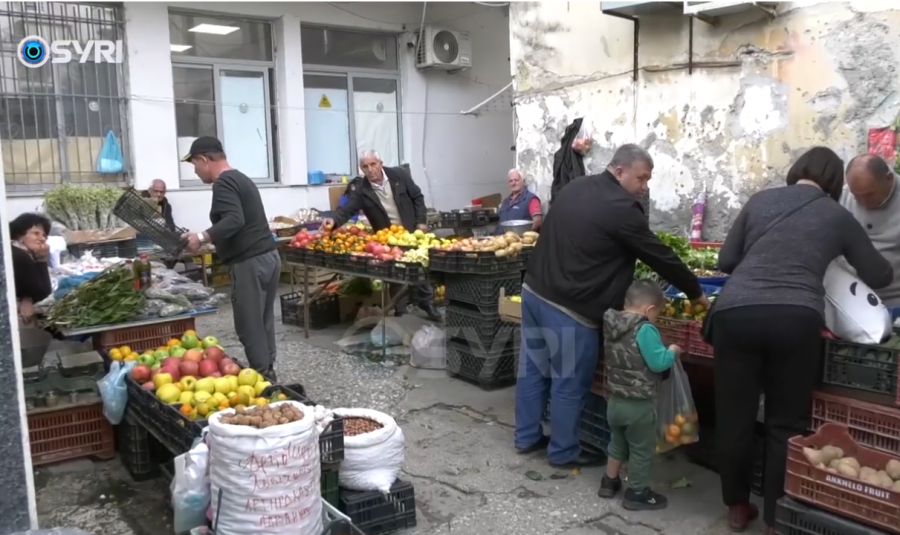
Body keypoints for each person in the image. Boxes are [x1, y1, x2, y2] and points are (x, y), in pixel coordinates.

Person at [710, 146, 893, 534]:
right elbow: (879, 276)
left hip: (735, 315)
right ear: (833, 182)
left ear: (796, 170)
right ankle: (776, 520)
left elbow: (725, 261)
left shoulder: (760, 201)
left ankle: (737, 507)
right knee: (784, 424)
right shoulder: (837, 215)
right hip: (794, 320)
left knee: (734, 419)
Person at [515, 143, 706, 469]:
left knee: (533, 372)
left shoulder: (576, 187)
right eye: (641, 179)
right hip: (570, 310)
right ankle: (563, 453)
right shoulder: (621, 206)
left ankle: (526, 437)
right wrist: (694, 291)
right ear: (619, 171)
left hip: (534, 293)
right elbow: (658, 254)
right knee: (568, 384)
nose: (643, 187)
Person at [179, 136, 282, 380]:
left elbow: (234, 220)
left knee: (248, 324)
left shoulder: (223, 184)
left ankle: (261, 376)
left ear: (204, 159)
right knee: (263, 320)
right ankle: (268, 369)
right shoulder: (241, 178)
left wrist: (202, 236)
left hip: (250, 262)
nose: (195, 171)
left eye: (194, 164)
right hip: (268, 257)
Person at [323, 150, 441, 322]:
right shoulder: (362, 190)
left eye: (373, 164)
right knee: (395, 273)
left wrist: (421, 222)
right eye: (365, 166)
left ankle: (427, 304)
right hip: (388, 237)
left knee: (420, 268)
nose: (370, 169)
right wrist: (333, 221)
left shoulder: (399, 175)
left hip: (412, 232)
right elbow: (347, 209)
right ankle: (401, 310)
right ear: (361, 169)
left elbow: (417, 197)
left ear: (381, 163)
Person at [598, 280, 681, 510]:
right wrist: (672, 351)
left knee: (617, 443)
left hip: (614, 400)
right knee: (641, 450)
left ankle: (609, 481)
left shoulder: (612, 323)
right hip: (639, 405)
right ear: (649, 310)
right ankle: (637, 492)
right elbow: (657, 363)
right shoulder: (644, 329)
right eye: (657, 315)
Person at [841, 153, 900, 306]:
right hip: (853, 296)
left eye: (869, 194)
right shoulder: (844, 196)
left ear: (888, 178)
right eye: (857, 196)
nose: (863, 202)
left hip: (895, 298)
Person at [142, 179, 196, 272]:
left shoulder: (166, 205)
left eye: (161, 192)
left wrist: (179, 235)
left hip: (164, 238)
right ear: (150, 191)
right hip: (146, 241)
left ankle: (193, 275)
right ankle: (166, 271)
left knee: (185, 246)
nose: (159, 194)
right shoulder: (141, 203)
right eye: (156, 191)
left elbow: (170, 225)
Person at [10, 213, 53, 325]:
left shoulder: (17, 252)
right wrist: (42, 260)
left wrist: (27, 297)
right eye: (36, 233)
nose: (42, 239)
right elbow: (43, 294)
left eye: (44, 235)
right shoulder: (20, 255)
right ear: (20, 235)